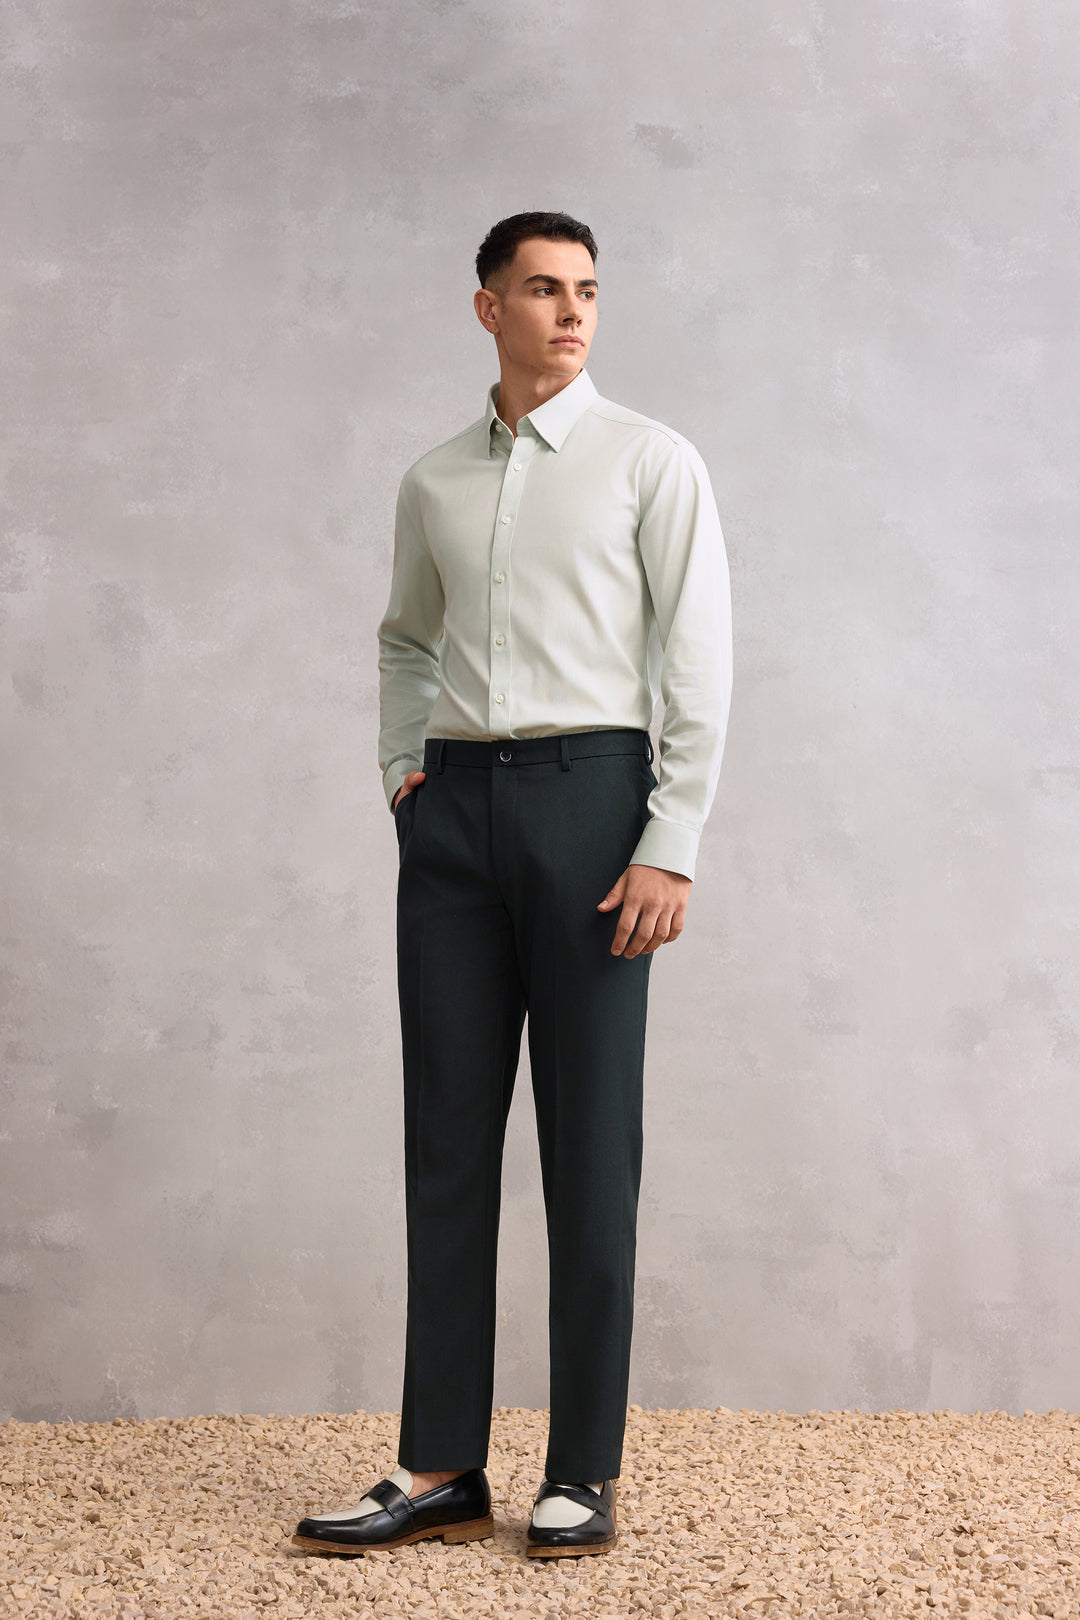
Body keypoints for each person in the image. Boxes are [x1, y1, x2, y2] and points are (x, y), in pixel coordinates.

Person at [292, 210, 732, 1560]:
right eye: (543, 289)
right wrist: (402, 774)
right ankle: (439, 1465)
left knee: (590, 1145)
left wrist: (669, 838)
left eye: (587, 288)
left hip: (597, 805)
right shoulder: (432, 479)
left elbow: (697, 657)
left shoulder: (650, 460)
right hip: (457, 816)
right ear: (488, 309)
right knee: (446, 1141)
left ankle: (582, 1471)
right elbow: (404, 641)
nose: (572, 310)